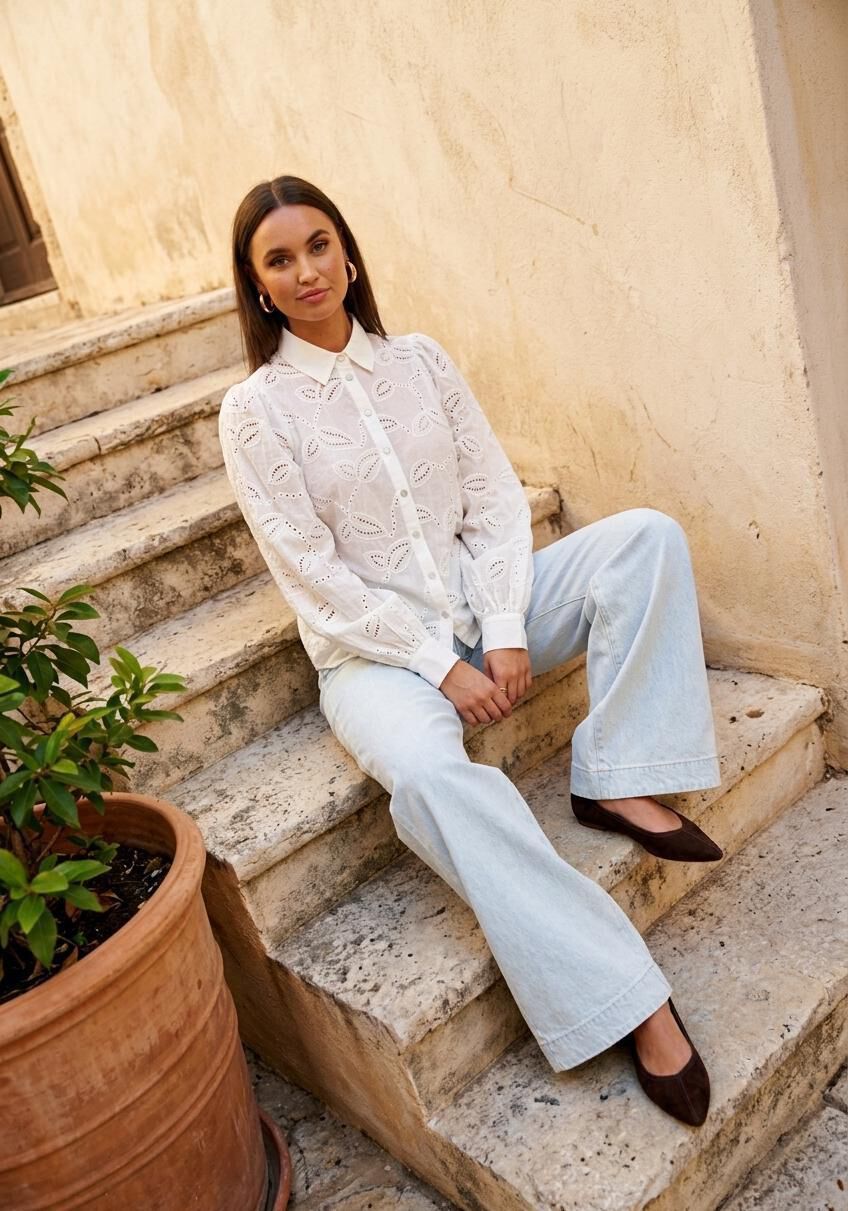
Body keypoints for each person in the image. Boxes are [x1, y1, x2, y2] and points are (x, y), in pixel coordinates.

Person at [219, 174, 724, 1127]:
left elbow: (493, 497)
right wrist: (439, 662)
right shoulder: (256, 411)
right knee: (431, 779)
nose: (306, 269)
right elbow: (312, 575)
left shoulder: (418, 360)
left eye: (318, 244)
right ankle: (629, 997)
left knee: (646, 539)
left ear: (348, 253)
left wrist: (500, 626)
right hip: (373, 659)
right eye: (279, 259)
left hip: (478, 603)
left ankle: (618, 777)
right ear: (259, 287)